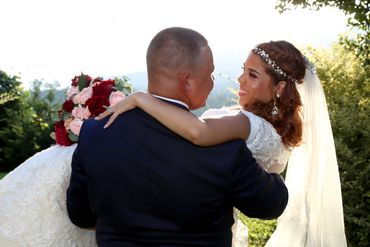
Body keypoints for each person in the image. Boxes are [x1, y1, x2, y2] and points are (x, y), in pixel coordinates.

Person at [97, 40, 347, 246]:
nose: (240, 79)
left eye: (252, 75)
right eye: (243, 70)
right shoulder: (272, 129)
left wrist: (141, 99)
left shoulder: (248, 125)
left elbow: (198, 132)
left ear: (279, 87)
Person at [66, 27, 288, 246]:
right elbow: (269, 205)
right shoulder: (223, 148)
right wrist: (273, 175)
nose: (212, 82)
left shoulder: (93, 133)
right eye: (210, 73)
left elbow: (80, 215)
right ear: (188, 82)